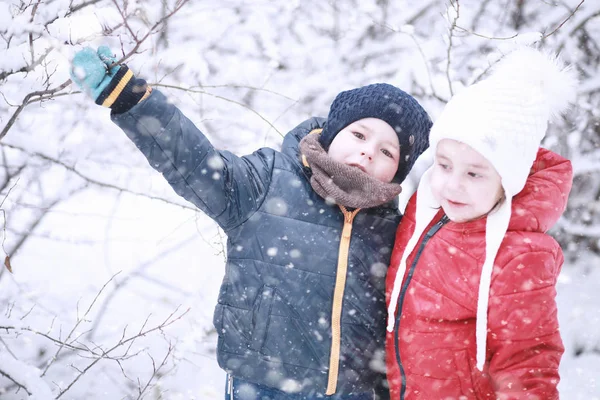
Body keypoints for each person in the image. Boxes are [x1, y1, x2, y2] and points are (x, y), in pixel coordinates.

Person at [70, 46, 432, 399]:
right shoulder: (268, 182)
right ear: (333, 132)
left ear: (398, 170)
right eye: (359, 134)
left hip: (352, 392)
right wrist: (131, 99)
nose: (368, 150)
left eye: (387, 151)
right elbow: (196, 164)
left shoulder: (395, 232)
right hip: (262, 384)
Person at [385, 47, 577, 400]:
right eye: (444, 165)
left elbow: (528, 362)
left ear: (509, 179)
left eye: (474, 173)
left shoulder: (519, 254)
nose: (453, 184)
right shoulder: (426, 209)